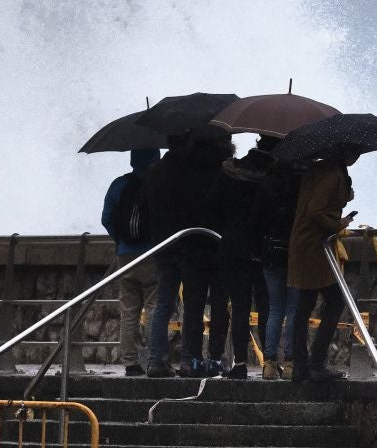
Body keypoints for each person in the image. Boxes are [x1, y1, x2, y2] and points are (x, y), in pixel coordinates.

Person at [141, 124, 231, 378]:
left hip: (180, 245)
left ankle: (186, 359)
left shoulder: (161, 172)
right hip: (215, 245)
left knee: (188, 306)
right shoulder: (224, 171)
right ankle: (214, 358)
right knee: (220, 305)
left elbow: (149, 209)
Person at [286, 150, 358, 383]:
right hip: (314, 248)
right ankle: (315, 363)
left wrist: (345, 198)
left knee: (304, 306)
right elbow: (316, 210)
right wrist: (340, 224)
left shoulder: (320, 170)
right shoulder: (332, 175)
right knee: (335, 301)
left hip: (305, 245)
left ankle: (301, 365)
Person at [208, 143, 272, 379]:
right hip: (261, 249)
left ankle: (241, 362)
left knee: (239, 307)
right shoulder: (270, 178)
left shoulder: (229, 174)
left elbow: (212, 206)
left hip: (232, 246)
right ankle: (270, 362)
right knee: (267, 307)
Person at [101, 148, 161, 376]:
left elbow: (106, 219)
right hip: (153, 253)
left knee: (129, 309)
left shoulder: (119, 185)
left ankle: (130, 362)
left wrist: (121, 241)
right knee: (155, 306)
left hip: (125, 255)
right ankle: (156, 359)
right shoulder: (158, 184)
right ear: (155, 159)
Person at [250, 140, 302, 379]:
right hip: (294, 252)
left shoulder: (267, 183)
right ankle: (291, 362)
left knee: (274, 307)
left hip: (270, 252)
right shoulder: (300, 183)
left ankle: (270, 363)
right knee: (293, 308)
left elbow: (257, 220)